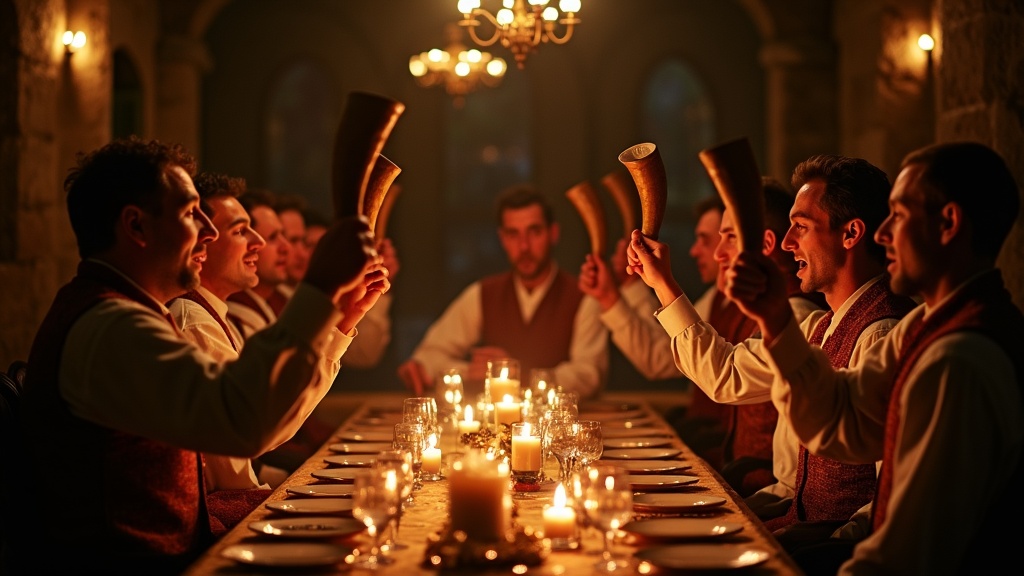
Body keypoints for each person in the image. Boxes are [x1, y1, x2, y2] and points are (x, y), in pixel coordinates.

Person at [12, 137, 383, 574]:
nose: (208, 230)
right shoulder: (111, 326)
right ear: (136, 227)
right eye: (191, 213)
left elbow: (251, 417)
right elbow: (241, 420)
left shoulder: (123, 313)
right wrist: (320, 291)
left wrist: (335, 315)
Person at [722, 142, 1023, 575]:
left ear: (948, 223)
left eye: (898, 215)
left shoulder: (959, 360)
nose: (882, 235)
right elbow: (843, 419)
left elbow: (908, 551)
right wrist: (773, 318)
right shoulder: (924, 322)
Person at [630, 155, 915, 572]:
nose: (787, 242)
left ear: (852, 234)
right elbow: (729, 375)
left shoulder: (881, 332)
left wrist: (814, 550)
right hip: (798, 526)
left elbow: (888, 497)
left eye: (801, 227)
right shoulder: (821, 326)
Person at [398, 185, 608, 399]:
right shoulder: (483, 294)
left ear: (553, 233)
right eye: (513, 234)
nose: (524, 246)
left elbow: (589, 375)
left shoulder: (584, 297)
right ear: (502, 239)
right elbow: (430, 356)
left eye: (534, 232)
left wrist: (523, 376)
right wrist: (469, 371)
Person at [225, 189, 290, 337]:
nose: (286, 247)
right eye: (272, 237)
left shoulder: (279, 300)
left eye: (283, 235)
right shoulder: (238, 312)